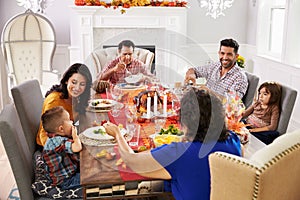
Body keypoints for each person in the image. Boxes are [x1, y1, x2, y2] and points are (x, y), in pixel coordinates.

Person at [103, 87, 242, 200]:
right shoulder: (234, 140)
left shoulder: (178, 153)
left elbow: (131, 161)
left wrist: (117, 134)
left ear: (186, 122)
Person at [37, 63, 92, 147]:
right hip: (54, 149)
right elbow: (44, 135)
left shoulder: (76, 98)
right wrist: (67, 147)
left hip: (70, 140)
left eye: (82, 84)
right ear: (66, 80)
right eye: (74, 82)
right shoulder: (55, 101)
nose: (77, 88)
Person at [41, 106, 82, 189]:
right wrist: (75, 136)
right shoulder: (56, 141)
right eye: (69, 120)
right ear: (61, 129)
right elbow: (77, 147)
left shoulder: (56, 137)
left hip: (70, 172)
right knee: (92, 178)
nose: (72, 122)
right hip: (66, 181)